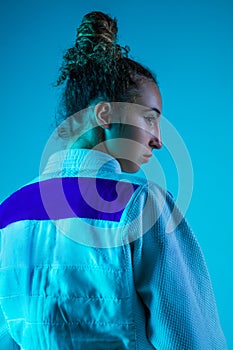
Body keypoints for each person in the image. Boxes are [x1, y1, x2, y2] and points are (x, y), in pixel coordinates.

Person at [0, 11, 227, 350]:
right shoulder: (139, 203)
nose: (159, 140)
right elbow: (191, 339)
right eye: (150, 119)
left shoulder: (9, 212)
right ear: (105, 114)